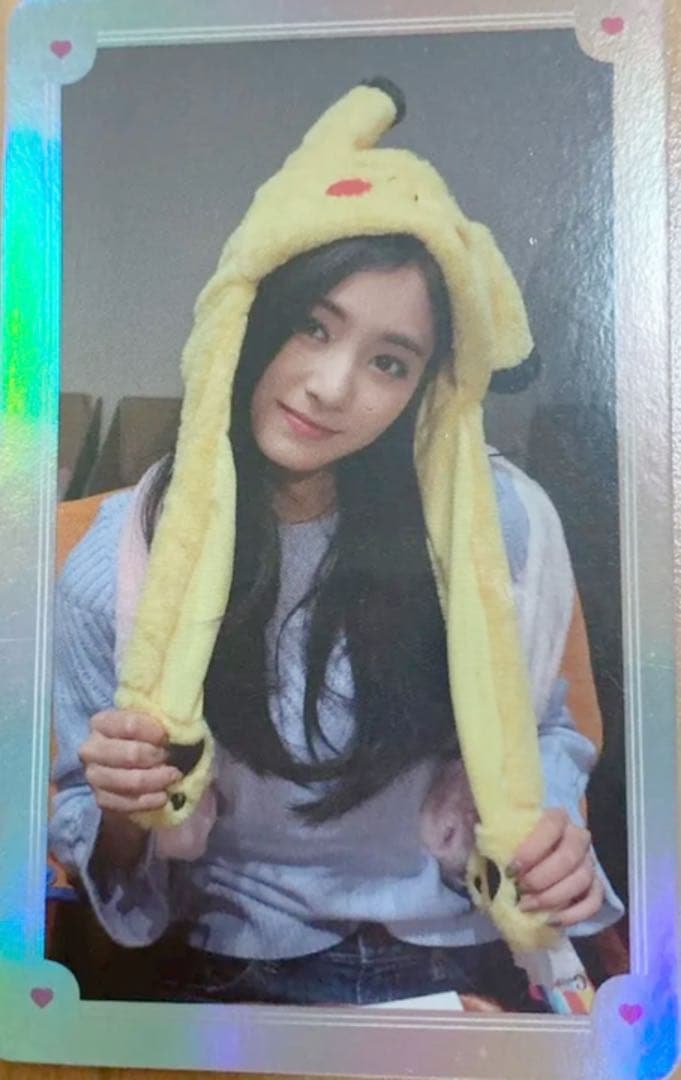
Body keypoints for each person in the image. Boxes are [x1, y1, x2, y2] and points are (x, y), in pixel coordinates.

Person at [50, 79, 623, 1010]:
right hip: (226, 970)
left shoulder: (500, 526)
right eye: (311, 326)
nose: (329, 385)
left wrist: (547, 828)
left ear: (427, 388)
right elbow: (110, 873)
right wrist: (125, 807)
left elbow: (546, 729)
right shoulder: (117, 566)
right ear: (245, 320)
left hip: (455, 956)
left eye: (388, 361)